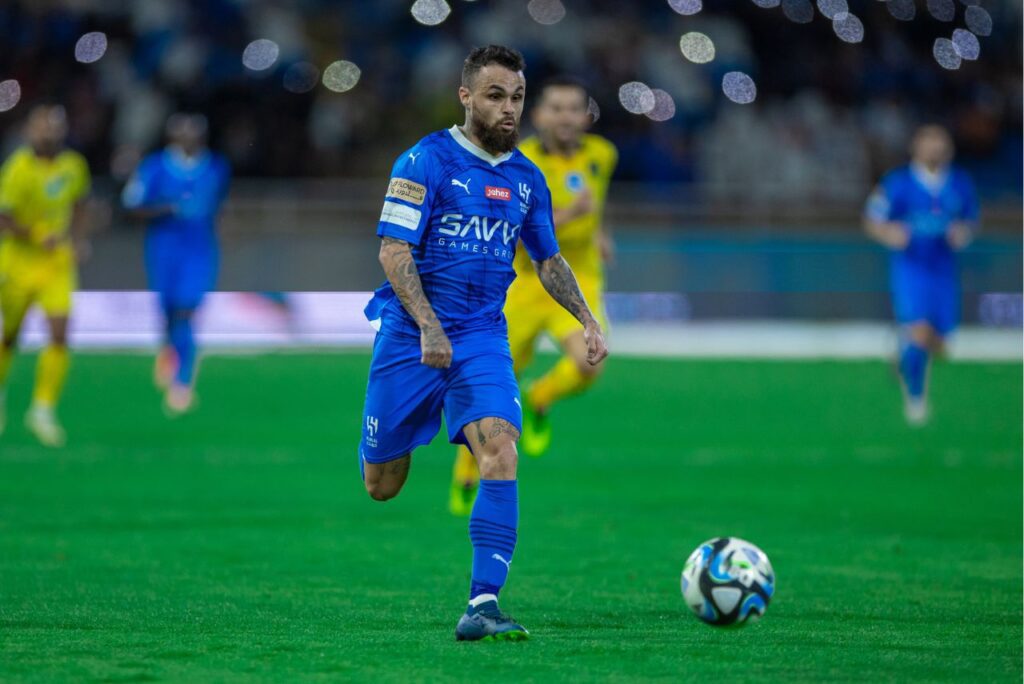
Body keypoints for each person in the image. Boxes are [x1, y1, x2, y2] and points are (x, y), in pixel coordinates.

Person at [358, 45, 608, 641]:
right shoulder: (425, 160)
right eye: (496, 95)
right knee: (382, 486)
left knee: (501, 449)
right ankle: (406, 430)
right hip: (410, 338)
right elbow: (393, 251)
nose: (508, 108)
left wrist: (587, 318)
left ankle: (483, 604)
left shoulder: (526, 178)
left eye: (517, 97)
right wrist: (428, 325)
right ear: (466, 96)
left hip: (481, 336)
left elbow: (548, 260)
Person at [449, 75, 618, 515]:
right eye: (555, 108)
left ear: (585, 116)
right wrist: (571, 215)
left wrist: (599, 231)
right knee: (491, 395)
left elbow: (596, 203)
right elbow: (518, 235)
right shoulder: (514, 164)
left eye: (573, 108)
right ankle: (466, 472)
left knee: (589, 363)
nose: (565, 117)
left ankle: (542, 396)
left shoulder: (602, 155)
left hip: (578, 278)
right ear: (537, 115)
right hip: (524, 283)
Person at [863, 124, 979, 425]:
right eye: (929, 144)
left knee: (940, 344)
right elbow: (873, 220)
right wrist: (889, 233)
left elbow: (970, 222)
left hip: (943, 269)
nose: (934, 150)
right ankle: (916, 401)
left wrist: (962, 234)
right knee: (919, 330)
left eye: (940, 145)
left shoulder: (959, 183)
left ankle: (902, 350)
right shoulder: (898, 183)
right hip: (911, 269)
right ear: (916, 148)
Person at [122, 113, 230, 415]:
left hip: (199, 250)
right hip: (163, 248)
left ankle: (182, 383)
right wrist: (165, 209)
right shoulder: (155, 166)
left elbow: (220, 205)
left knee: (186, 310)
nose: (189, 138)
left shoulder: (216, 167)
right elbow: (132, 206)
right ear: (172, 136)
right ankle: (169, 349)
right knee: (169, 309)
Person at [0, 105, 91, 446]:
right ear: (30, 131)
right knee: (10, 336)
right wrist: (37, 235)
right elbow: (3, 218)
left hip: (56, 265)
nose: (49, 133)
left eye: (55, 127)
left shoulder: (73, 167)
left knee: (59, 333)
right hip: (18, 264)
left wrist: (79, 239)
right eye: (43, 127)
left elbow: (81, 202)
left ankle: (43, 409)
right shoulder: (17, 169)